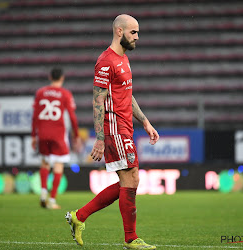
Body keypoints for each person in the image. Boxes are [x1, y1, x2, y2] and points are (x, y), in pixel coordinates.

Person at [65, 14, 159, 249]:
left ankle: (80, 216)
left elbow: (127, 94)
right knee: (131, 179)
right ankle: (130, 238)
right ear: (119, 31)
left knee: (130, 181)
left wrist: (145, 122)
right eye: (133, 32)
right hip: (114, 130)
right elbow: (98, 101)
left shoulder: (124, 59)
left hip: (126, 127)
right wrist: (99, 138)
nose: (137, 36)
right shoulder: (105, 61)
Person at [31, 67, 81, 209]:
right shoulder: (65, 94)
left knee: (45, 162)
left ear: (49, 77)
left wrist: (33, 136)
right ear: (62, 78)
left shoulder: (40, 92)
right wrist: (76, 135)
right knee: (58, 165)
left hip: (43, 133)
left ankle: (42, 193)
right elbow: (72, 117)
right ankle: (52, 200)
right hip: (58, 134)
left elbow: (35, 116)